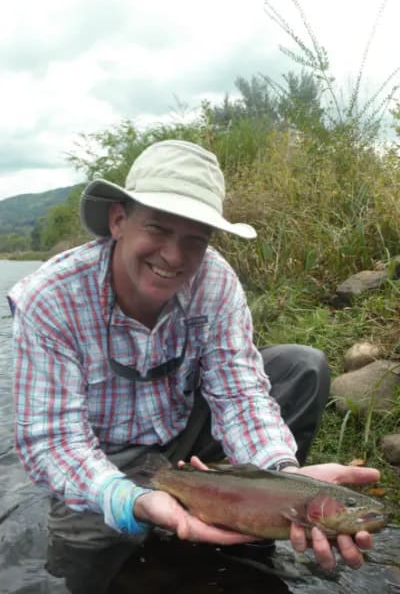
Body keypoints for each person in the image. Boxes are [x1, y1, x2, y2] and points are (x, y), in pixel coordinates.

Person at [8, 139, 380, 593]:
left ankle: (248, 521)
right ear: (119, 220)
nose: (173, 256)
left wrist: (280, 479)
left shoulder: (215, 281)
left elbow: (239, 393)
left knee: (301, 366)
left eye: (194, 240)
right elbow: (53, 440)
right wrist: (131, 500)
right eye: (158, 229)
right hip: (101, 460)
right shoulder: (50, 299)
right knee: (87, 566)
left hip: (186, 435)